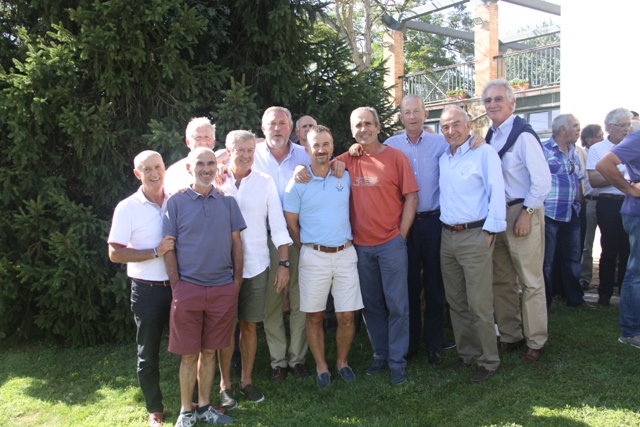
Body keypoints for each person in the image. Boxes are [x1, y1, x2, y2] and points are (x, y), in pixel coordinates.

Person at [335, 107, 419, 384]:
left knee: (397, 305)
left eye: (368, 124)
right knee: (371, 305)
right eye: (358, 125)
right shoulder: (346, 160)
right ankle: (381, 354)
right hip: (360, 247)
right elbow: (317, 164)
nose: (363, 129)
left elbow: (412, 196)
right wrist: (301, 168)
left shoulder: (396, 157)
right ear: (352, 130)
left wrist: (401, 235)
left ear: (378, 127)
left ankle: (397, 362)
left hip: (390, 244)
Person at [381, 94, 465, 365]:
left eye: (417, 111)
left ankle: (434, 344)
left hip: (433, 222)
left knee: (434, 284)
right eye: (407, 112)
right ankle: (411, 342)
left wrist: (477, 139)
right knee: (408, 284)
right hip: (404, 224)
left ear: (425, 113)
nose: (412, 116)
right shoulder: (390, 145)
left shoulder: (441, 143)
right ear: (401, 117)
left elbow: (465, 146)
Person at [163, 147, 243, 426]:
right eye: (200, 164)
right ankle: (186, 411)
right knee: (189, 354)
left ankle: (205, 406)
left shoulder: (228, 202)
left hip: (222, 289)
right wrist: (177, 285)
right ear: (190, 168)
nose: (206, 169)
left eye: (211, 163)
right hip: (188, 289)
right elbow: (168, 247)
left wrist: (235, 282)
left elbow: (237, 244)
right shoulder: (176, 203)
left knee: (210, 352)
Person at [284, 125, 363, 388]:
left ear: (332, 147)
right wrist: (306, 247)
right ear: (307, 149)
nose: (321, 150)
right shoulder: (297, 183)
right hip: (313, 256)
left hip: (345, 254)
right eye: (315, 145)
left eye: (326, 144)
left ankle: (342, 362)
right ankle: (321, 366)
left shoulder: (345, 176)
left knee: (347, 315)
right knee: (314, 315)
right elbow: (291, 223)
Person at [217, 130, 293, 406]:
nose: (246, 155)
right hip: (222, 269)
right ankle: (225, 385)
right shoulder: (217, 181)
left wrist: (283, 263)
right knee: (227, 327)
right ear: (228, 151)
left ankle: (246, 381)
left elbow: (278, 225)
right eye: (240, 150)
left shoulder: (264, 181)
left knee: (249, 325)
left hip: (257, 266)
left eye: (250, 150)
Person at [483, 78, 551, 363]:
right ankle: (511, 335)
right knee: (501, 280)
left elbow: (542, 181)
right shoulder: (490, 135)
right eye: (488, 100)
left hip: (522, 212)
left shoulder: (523, 135)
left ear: (512, 102)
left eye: (498, 99)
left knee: (530, 280)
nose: (492, 104)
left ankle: (536, 341)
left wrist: (527, 213)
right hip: (497, 215)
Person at [438, 106, 506, 383]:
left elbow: (497, 191)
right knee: (456, 301)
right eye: (445, 127)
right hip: (447, 236)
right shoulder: (444, 157)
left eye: (456, 124)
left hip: (475, 235)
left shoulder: (484, 152)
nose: (451, 131)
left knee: (479, 303)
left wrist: (489, 231)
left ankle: (489, 360)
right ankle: (467, 355)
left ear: (469, 126)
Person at [108, 151, 175, 427]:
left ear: (164, 169)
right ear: (137, 174)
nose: (154, 173)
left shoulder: (176, 200)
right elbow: (115, 253)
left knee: (190, 347)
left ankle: (195, 400)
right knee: (148, 353)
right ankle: (155, 409)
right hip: (147, 291)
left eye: (157, 167)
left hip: (179, 287)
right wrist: (155, 251)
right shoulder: (127, 207)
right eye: (147, 169)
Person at [252, 106, 311, 382]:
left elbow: (329, 166)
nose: (277, 128)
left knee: (300, 299)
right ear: (263, 128)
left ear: (291, 128)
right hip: (265, 240)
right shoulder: (251, 155)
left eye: (282, 123)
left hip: (298, 236)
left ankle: (297, 359)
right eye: (272, 124)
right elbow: (223, 157)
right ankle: (278, 361)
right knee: (271, 302)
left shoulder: (304, 154)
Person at [596, 129, 640, 348]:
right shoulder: (638, 137)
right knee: (637, 273)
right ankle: (630, 332)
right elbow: (604, 164)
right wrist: (631, 190)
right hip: (637, 214)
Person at [542, 114, 590, 308]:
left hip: (572, 212)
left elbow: (579, 179)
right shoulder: (543, 149)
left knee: (572, 259)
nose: (579, 130)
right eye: (575, 126)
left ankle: (575, 300)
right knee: (547, 261)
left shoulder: (574, 152)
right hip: (549, 213)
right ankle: (545, 302)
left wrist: (579, 200)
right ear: (563, 128)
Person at [586, 108, 632, 307]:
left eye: (628, 124)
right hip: (608, 202)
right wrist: (620, 174)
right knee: (609, 249)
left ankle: (625, 292)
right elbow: (594, 180)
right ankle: (604, 293)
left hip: (630, 201)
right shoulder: (598, 149)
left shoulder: (633, 147)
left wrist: (610, 173)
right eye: (622, 125)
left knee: (628, 249)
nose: (626, 129)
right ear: (609, 127)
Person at [578, 124, 605, 290]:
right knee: (587, 243)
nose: (602, 138)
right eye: (599, 136)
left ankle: (610, 278)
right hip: (590, 201)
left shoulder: (606, 154)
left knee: (609, 242)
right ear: (588, 140)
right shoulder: (581, 154)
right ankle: (585, 277)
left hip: (606, 201)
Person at [164, 117, 216, 195]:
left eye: (207, 137)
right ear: (188, 142)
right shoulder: (174, 173)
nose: (203, 142)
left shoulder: (223, 170)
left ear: (214, 142)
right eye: (198, 138)